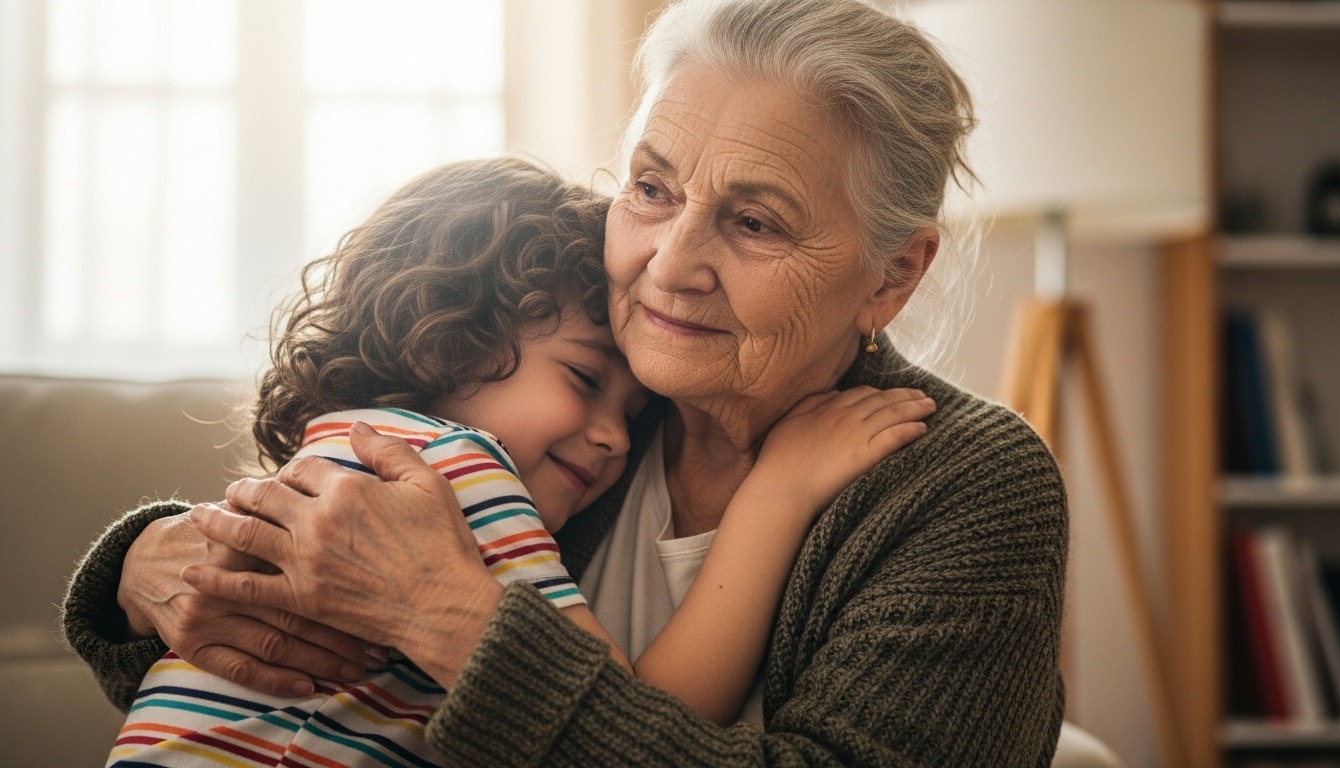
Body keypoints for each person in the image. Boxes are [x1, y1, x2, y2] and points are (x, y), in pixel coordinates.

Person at [64, 0, 1069, 764]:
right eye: (649, 188)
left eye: (754, 221)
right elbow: (268, 685)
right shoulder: (574, 384)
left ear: (894, 273)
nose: (669, 264)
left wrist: (448, 619)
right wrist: (145, 565)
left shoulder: (968, 489)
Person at [104, 157, 935, 766]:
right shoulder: (455, 473)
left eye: (634, 414)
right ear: (447, 343)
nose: (615, 436)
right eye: (583, 379)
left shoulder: (340, 448)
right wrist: (776, 496)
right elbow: (637, 714)